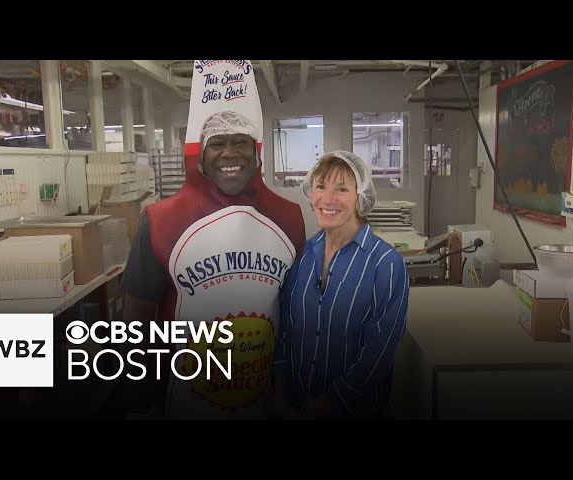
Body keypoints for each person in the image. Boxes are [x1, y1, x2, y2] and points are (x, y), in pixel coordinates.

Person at [120, 60, 305, 419]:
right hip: (184, 401)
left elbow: (296, 315)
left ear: (257, 154)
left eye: (241, 143)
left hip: (263, 400)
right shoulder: (160, 221)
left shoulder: (289, 218)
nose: (229, 153)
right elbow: (136, 322)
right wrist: (139, 401)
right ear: (201, 159)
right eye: (217, 144)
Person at [273, 150, 409, 419]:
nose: (328, 199)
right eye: (320, 186)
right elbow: (285, 332)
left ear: (361, 197)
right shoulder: (301, 257)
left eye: (342, 189)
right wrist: (279, 395)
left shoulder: (386, 264)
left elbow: (377, 356)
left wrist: (323, 406)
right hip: (296, 407)